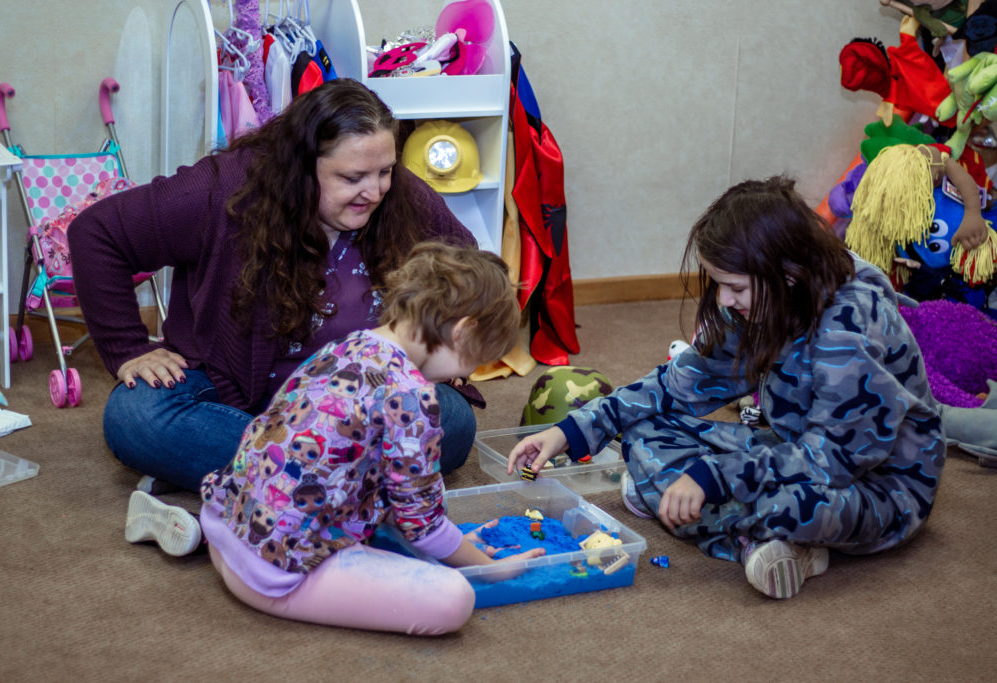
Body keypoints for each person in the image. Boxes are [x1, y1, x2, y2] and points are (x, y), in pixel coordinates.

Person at [507, 176, 946, 600]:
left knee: (791, 505)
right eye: (719, 284)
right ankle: (755, 541)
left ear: (788, 274)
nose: (723, 300)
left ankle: (749, 531)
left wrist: (716, 477)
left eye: (735, 287)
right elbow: (678, 383)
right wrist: (571, 430)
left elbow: (833, 460)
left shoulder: (848, 328)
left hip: (876, 487)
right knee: (642, 432)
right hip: (793, 448)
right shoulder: (769, 303)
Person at [68, 78, 481, 496]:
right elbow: (97, 232)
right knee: (137, 416)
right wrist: (128, 349)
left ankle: (260, 482)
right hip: (236, 398)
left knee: (456, 423)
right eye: (353, 177)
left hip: (359, 400)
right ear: (301, 166)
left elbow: (469, 264)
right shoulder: (222, 188)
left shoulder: (399, 196)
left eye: (385, 172)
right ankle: (337, 487)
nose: (373, 192)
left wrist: (440, 345)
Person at [128, 243, 545, 635]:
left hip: (224, 521)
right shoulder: (412, 394)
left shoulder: (353, 343)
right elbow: (423, 527)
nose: (466, 375)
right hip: (274, 575)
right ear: (462, 331)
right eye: (475, 359)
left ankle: (203, 541)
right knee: (454, 598)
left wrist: (445, 540)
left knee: (387, 522)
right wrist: (486, 567)